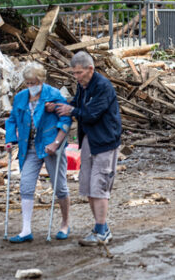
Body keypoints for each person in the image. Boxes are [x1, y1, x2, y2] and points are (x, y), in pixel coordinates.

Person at [54, 51, 122, 246]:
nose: (76, 77)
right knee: (88, 186)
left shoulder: (103, 86)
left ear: (90, 69)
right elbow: (77, 103)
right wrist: (61, 106)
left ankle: (102, 230)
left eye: (79, 73)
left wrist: (72, 111)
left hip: (104, 141)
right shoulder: (83, 85)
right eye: (74, 73)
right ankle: (101, 227)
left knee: (99, 186)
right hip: (89, 140)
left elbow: (92, 113)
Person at [5, 64, 72, 243]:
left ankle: (65, 223)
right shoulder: (20, 98)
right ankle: (26, 229)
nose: (30, 86)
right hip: (30, 147)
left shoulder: (53, 95)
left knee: (60, 187)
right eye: (27, 83)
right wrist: (10, 140)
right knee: (26, 185)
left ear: (41, 80)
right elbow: (11, 120)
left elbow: (66, 120)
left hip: (51, 146)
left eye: (33, 82)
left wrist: (56, 142)